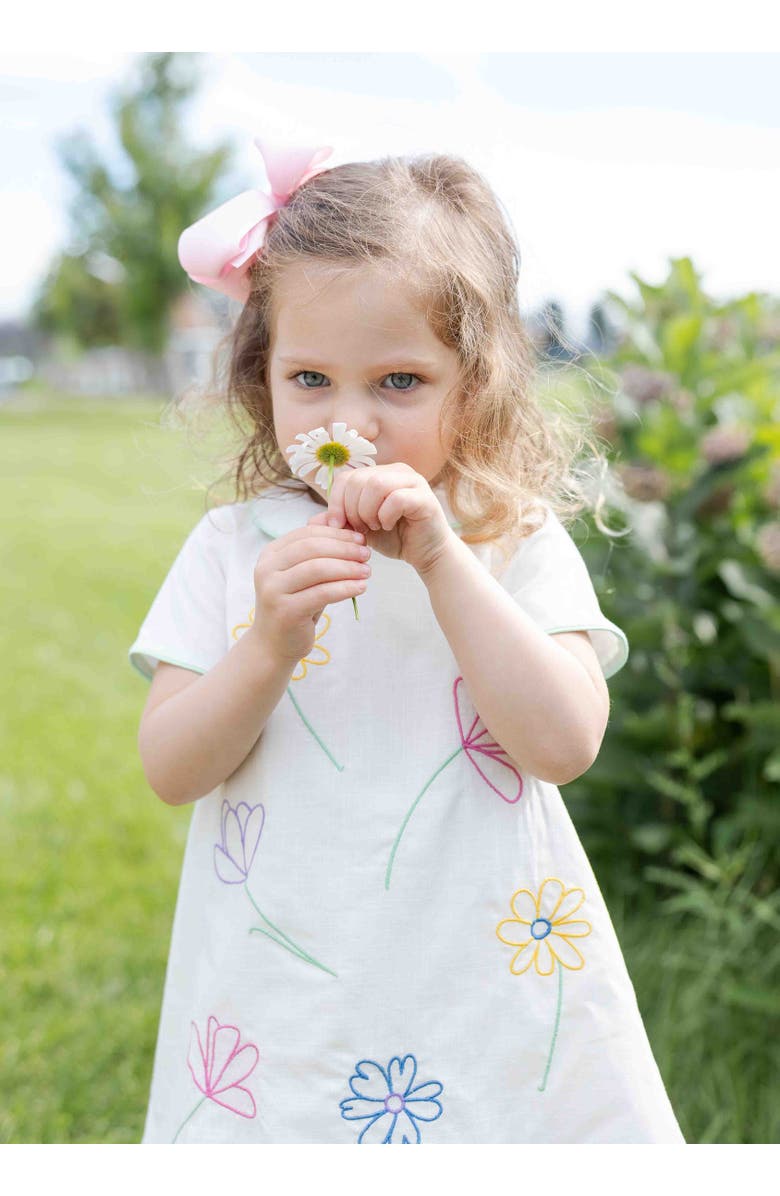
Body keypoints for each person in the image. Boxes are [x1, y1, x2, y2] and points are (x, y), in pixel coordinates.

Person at [128, 137, 685, 1144]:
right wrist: (266, 646)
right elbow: (171, 764)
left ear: (472, 383)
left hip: (481, 966)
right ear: (263, 377)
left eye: (398, 382)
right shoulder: (233, 548)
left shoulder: (507, 537)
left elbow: (562, 743)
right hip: (283, 975)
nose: (351, 424)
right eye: (311, 378)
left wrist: (441, 560)